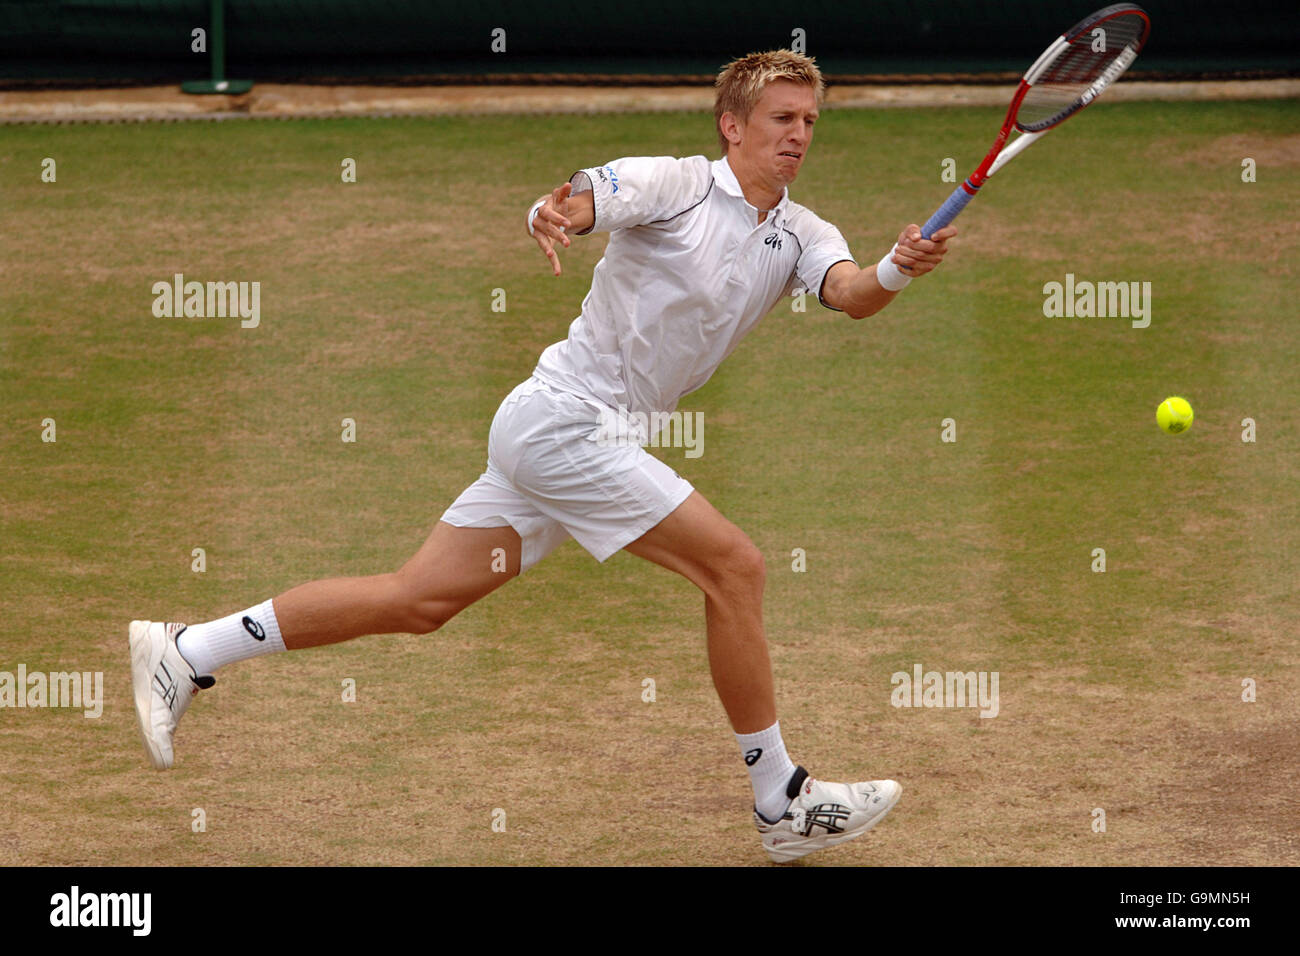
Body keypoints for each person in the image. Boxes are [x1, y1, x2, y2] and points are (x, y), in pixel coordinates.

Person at [130, 49, 956, 863]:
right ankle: (781, 797)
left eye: (810, 120)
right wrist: (556, 210)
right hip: (566, 425)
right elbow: (590, 194)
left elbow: (851, 294)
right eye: (782, 117)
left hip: (567, 438)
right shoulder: (677, 182)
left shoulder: (802, 231)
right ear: (732, 125)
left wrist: (898, 266)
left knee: (419, 601)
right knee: (734, 569)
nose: (799, 134)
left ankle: (188, 649)